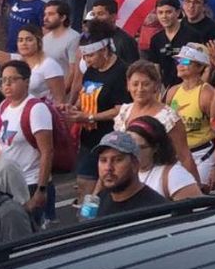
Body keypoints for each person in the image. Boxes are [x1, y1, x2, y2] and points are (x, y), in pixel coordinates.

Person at [68, 22, 130, 208]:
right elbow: (85, 94)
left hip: (110, 139)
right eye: (84, 56)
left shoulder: (121, 71)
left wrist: (91, 117)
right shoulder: (91, 70)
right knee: (84, 184)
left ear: (104, 50)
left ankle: (97, 221)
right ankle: (86, 222)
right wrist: (73, 109)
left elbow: (121, 108)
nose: (87, 61)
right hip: (88, 137)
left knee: (104, 188)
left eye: (91, 55)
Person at [109, 61, 199, 183]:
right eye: (135, 84)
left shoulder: (168, 117)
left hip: (159, 178)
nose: (140, 89)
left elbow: (184, 155)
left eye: (146, 84)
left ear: (156, 86)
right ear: (128, 85)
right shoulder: (124, 112)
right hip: (128, 177)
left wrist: (196, 190)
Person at [0, 60, 55, 225]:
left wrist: (41, 190)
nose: (6, 84)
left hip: (31, 182)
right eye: (3, 80)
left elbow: (47, 151)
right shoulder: (3, 106)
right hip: (10, 183)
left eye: (13, 80)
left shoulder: (36, 109)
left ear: (27, 82)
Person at [0, 15, 66, 104]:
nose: (24, 43)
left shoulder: (49, 65)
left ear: (39, 42)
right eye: (20, 40)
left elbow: (60, 100)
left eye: (29, 40)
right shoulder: (15, 61)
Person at [164, 44, 215, 185]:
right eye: (178, 61)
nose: (180, 65)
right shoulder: (172, 92)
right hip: (178, 154)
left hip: (203, 154)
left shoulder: (207, 94)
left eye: (186, 61)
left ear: (199, 67)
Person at [91, 132, 169, 216]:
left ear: (135, 164)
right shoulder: (100, 199)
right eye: (103, 160)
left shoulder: (155, 209)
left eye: (117, 160)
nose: (108, 168)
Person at [126, 114, 202, 201]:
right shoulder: (122, 174)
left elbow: (196, 210)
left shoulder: (174, 174)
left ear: (155, 148)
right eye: (128, 146)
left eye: (139, 148)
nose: (132, 152)